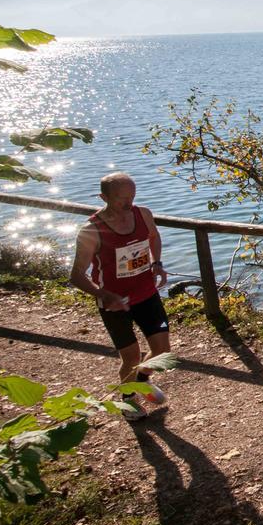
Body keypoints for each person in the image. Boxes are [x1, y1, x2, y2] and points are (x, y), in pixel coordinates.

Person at [70, 172, 171, 419]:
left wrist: (156, 262)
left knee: (162, 350)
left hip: (146, 293)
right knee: (130, 356)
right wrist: (103, 294)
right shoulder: (92, 230)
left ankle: (141, 379)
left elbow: (153, 236)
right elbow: (77, 275)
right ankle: (128, 401)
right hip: (115, 303)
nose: (128, 204)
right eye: (121, 199)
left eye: (132, 197)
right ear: (103, 197)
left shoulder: (142, 214)